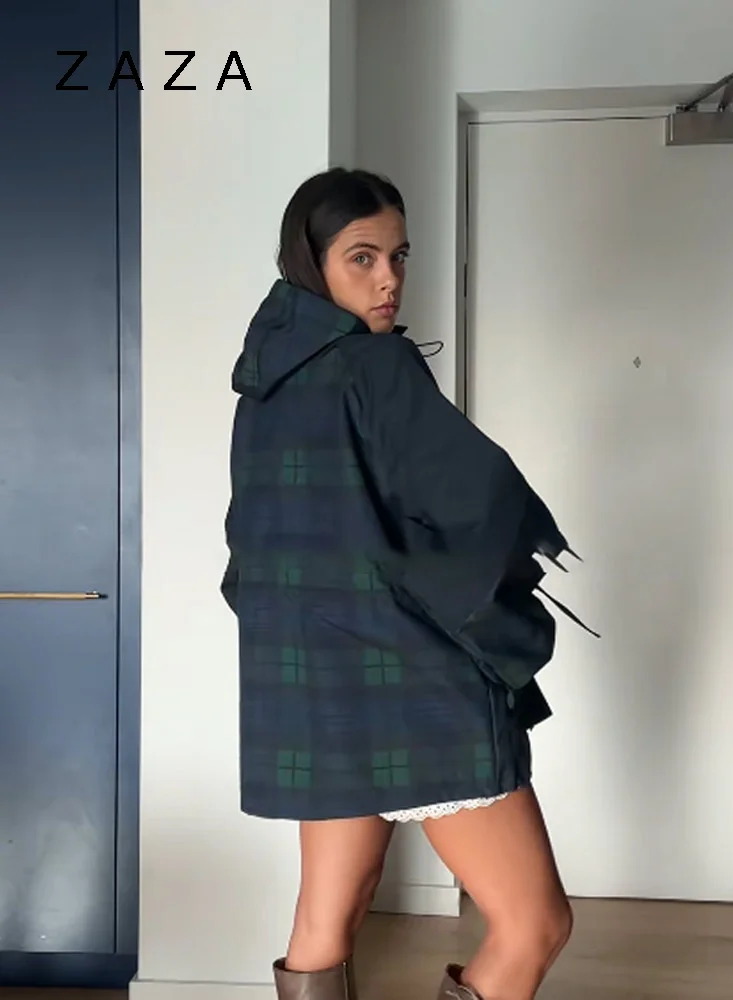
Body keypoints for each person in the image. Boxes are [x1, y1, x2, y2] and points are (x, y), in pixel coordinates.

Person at [221, 167, 585, 1000]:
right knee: (535, 924)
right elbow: (477, 507)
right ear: (313, 260)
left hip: (314, 688)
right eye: (363, 257)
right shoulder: (375, 365)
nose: (388, 278)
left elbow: (252, 544)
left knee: (323, 924)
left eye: (399, 256)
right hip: (407, 684)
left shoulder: (263, 385)